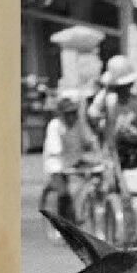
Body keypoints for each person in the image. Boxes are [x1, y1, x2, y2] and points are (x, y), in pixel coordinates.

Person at [39, 90, 100, 224]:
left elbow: (89, 140)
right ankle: (63, 223)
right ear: (62, 114)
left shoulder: (80, 124)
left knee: (97, 177)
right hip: (57, 163)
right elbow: (55, 148)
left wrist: (92, 146)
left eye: (74, 113)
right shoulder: (55, 126)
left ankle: (85, 210)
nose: (72, 117)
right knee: (64, 192)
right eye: (68, 114)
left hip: (75, 161)